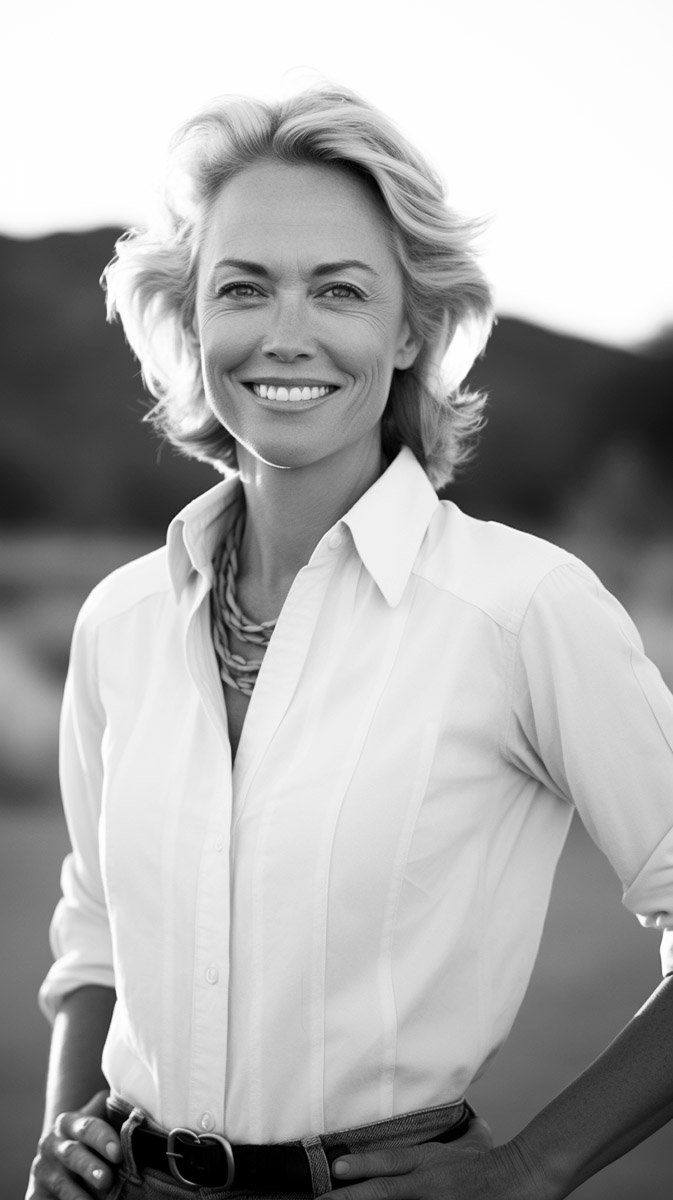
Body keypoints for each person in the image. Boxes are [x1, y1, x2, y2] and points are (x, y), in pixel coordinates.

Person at [27, 85, 673, 1200]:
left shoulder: (521, 608)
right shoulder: (118, 621)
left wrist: (532, 1170)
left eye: (338, 290)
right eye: (243, 287)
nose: (286, 334)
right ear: (191, 318)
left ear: (411, 326)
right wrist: (61, 1138)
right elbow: (93, 929)